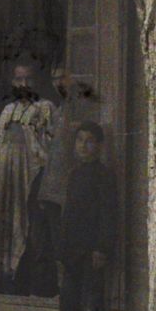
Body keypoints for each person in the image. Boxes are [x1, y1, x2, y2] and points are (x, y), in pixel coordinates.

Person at [29, 67, 101, 296]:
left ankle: (68, 292)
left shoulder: (78, 110)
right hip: (52, 187)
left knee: (66, 244)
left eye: (63, 77)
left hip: (68, 189)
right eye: (55, 78)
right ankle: (53, 290)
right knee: (48, 241)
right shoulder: (58, 110)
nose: (59, 82)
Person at [0, 58, 57, 291]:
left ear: (36, 81)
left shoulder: (45, 108)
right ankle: (8, 283)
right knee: (7, 228)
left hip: (33, 180)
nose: (24, 84)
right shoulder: (7, 111)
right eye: (19, 79)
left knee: (34, 233)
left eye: (28, 79)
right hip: (7, 182)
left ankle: (36, 288)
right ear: (12, 82)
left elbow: (51, 147)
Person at [58, 123, 117, 311]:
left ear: (100, 146)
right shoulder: (74, 174)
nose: (84, 146)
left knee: (92, 300)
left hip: (92, 248)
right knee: (68, 299)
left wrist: (101, 248)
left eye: (90, 141)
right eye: (80, 140)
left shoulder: (104, 176)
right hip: (72, 247)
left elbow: (107, 215)